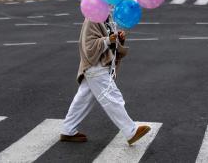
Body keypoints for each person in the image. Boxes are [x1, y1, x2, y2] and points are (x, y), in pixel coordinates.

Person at [60, 16, 151, 146]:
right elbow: (88, 46)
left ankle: (67, 130)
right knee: (112, 97)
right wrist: (108, 40)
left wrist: (119, 38)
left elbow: (110, 40)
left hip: (99, 66)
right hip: (95, 66)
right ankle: (131, 131)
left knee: (83, 99)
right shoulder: (92, 18)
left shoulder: (107, 18)